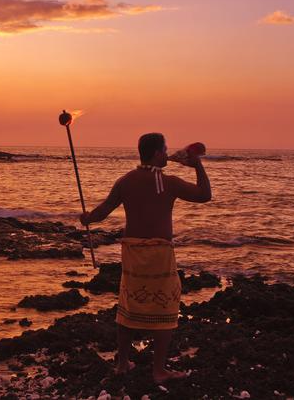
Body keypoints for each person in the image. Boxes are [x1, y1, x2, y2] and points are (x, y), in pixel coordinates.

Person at [80, 133, 211, 383]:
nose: (167, 154)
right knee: (166, 306)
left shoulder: (125, 181)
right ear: (156, 153)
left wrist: (87, 218)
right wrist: (198, 165)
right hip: (159, 254)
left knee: (128, 305)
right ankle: (159, 370)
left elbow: (102, 212)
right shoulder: (167, 181)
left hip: (132, 253)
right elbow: (204, 195)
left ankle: (122, 364)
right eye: (165, 150)